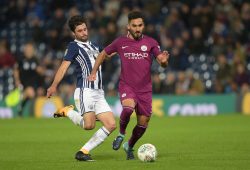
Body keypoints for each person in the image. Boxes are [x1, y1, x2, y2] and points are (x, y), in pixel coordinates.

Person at [88, 11, 169, 160]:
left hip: (145, 90)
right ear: (128, 26)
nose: (138, 28)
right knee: (128, 108)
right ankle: (121, 133)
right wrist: (93, 72)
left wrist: (164, 62)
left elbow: (161, 61)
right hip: (127, 86)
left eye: (140, 25)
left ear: (143, 26)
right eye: (134, 26)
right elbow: (102, 54)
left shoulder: (151, 42)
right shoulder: (120, 42)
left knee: (143, 124)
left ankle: (129, 146)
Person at [46, 15, 116, 161]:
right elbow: (63, 67)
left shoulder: (95, 46)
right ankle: (68, 111)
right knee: (89, 125)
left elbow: (107, 55)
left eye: (85, 29)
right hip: (85, 91)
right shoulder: (73, 47)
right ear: (74, 33)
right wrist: (53, 85)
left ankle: (83, 152)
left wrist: (123, 45)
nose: (84, 32)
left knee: (111, 124)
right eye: (80, 31)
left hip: (99, 92)